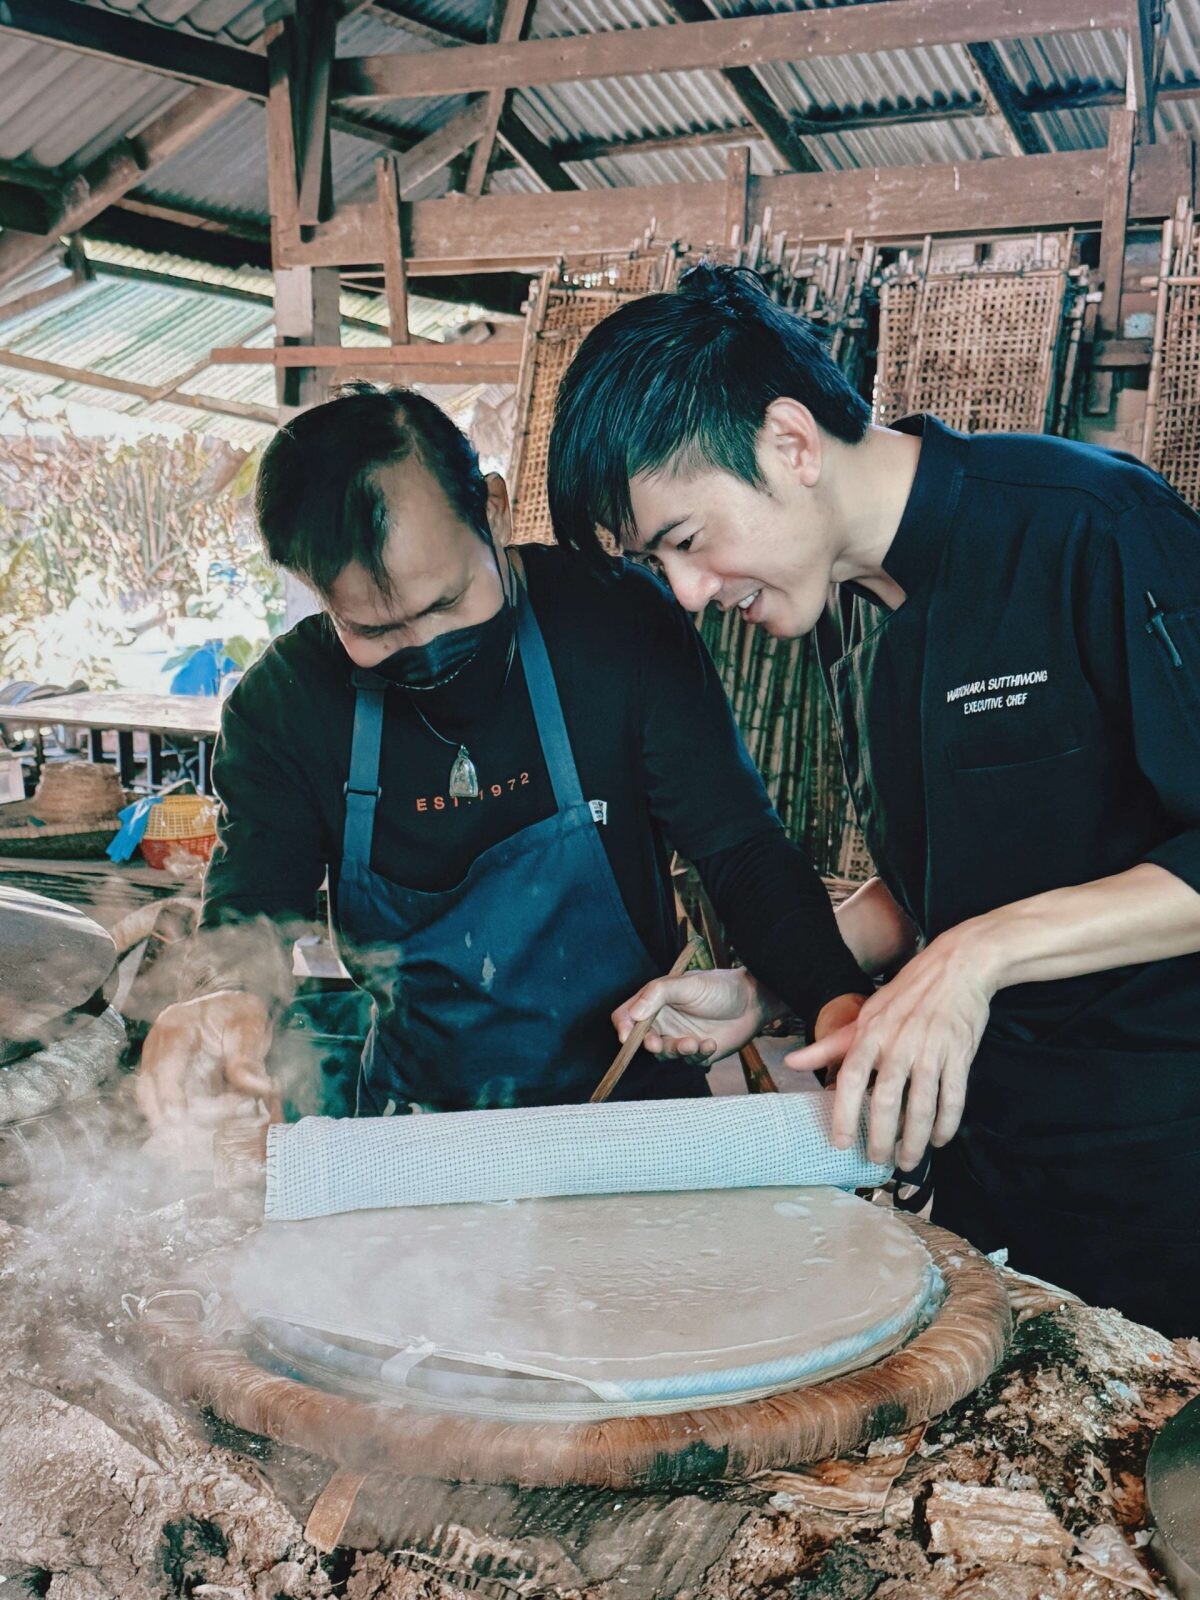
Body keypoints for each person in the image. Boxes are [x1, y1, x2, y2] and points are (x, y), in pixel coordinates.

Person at [547, 263, 1200, 1334]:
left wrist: (975, 956)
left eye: (684, 541)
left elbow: (989, 920)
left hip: (1164, 1193)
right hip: (997, 1183)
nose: (691, 594)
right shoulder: (853, 615)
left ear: (790, 444)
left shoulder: (1090, 527)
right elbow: (941, 876)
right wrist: (768, 984)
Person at [136, 384, 870, 1123]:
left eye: (446, 604)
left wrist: (834, 999)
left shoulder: (613, 626)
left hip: (635, 1112)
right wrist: (227, 995)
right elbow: (256, 903)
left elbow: (740, 849)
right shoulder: (288, 705)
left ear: (493, 508)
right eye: (375, 632)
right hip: (417, 1129)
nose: (423, 650)